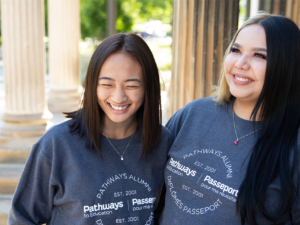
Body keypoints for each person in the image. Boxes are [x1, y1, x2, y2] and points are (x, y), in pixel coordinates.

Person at [8, 33, 172, 225]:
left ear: (148, 88)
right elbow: (22, 218)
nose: (119, 97)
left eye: (132, 85)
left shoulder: (163, 143)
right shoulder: (57, 144)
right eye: (107, 84)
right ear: (92, 85)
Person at [158, 13, 300, 224]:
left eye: (259, 55)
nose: (240, 64)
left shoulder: (294, 145)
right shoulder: (193, 113)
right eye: (236, 50)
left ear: (286, 67)